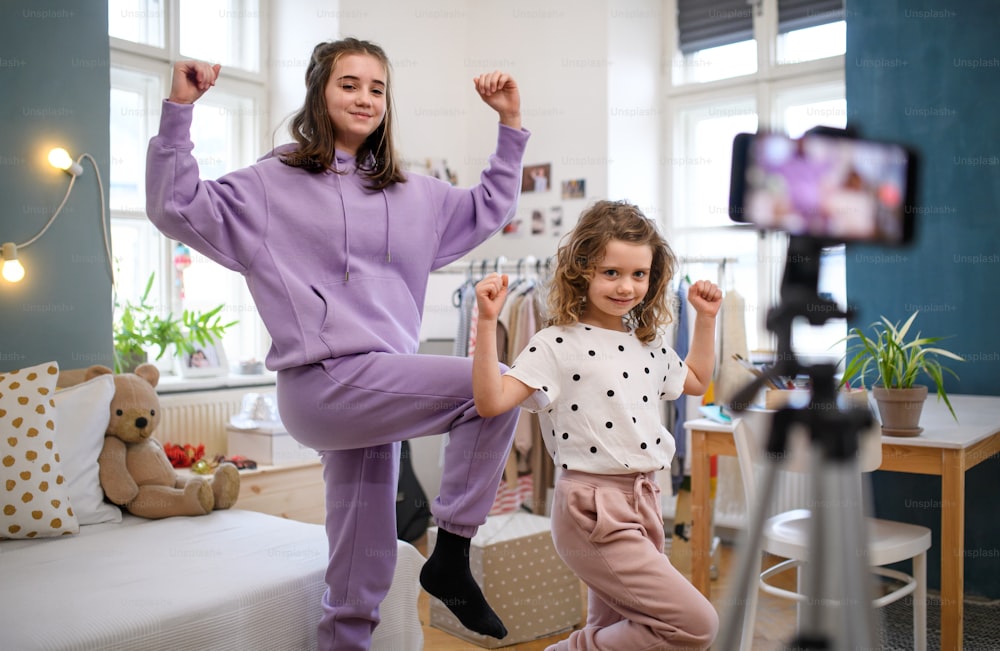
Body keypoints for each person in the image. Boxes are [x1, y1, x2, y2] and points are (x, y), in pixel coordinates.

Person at [145, 37, 528, 650]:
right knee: (497, 386)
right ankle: (452, 551)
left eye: (377, 88)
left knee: (363, 543)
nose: (365, 98)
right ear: (320, 92)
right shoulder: (272, 183)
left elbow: (490, 206)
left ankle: (344, 640)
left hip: (379, 387)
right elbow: (174, 204)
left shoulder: (413, 193)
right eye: (349, 83)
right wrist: (179, 110)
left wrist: (509, 124)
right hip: (322, 382)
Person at [472, 200, 721, 650]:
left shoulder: (648, 344)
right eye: (611, 272)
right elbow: (491, 402)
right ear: (581, 270)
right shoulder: (555, 344)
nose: (626, 286)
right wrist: (487, 323)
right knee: (694, 624)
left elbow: (698, 381)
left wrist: (705, 319)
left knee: (618, 626)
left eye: (639, 274)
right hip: (592, 507)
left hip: (644, 499)